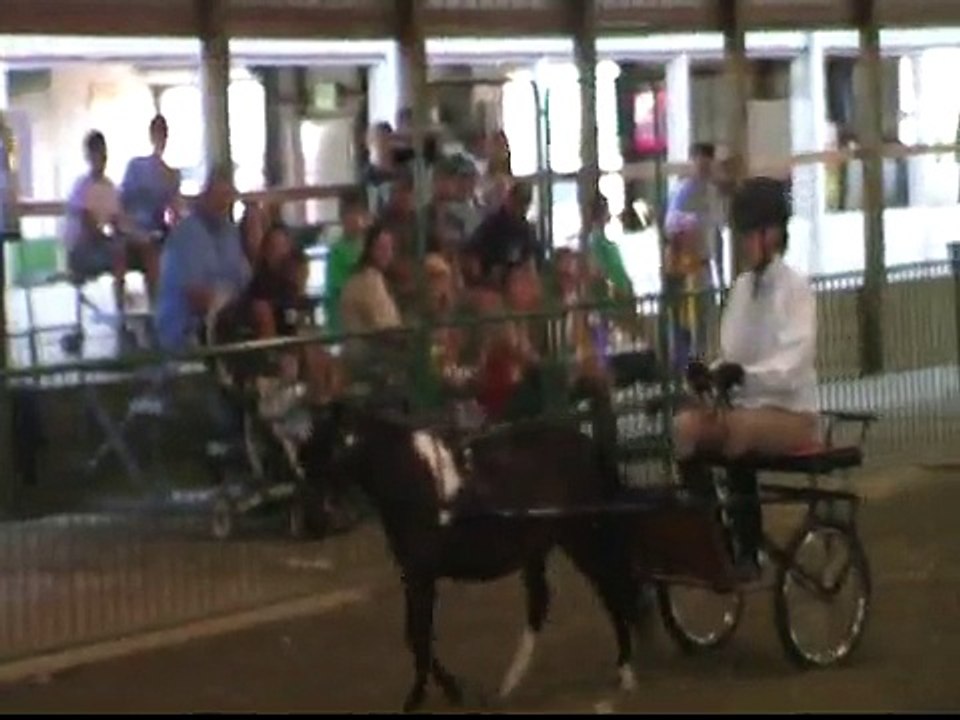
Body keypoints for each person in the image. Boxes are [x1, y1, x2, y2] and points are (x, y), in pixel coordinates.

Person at [673, 176, 818, 578]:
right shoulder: (739, 290)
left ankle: (748, 550)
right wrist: (710, 375)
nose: (742, 243)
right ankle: (713, 537)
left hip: (791, 414)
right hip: (749, 409)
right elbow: (732, 356)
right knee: (684, 429)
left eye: (749, 234)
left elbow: (792, 366)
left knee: (736, 432)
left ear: (772, 234)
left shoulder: (795, 289)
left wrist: (744, 378)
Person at [154, 165, 251, 353]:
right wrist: (227, 299)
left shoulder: (230, 234)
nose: (223, 204)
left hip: (223, 319)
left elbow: (243, 280)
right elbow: (197, 297)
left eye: (227, 197)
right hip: (186, 327)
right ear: (205, 196)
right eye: (218, 196)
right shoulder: (186, 235)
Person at [64, 130, 159, 307]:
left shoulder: (110, 188)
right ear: (89, 156)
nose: (101, 159)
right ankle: (121, 308)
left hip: (103, 246)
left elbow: (118, 222)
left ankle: (156, 307)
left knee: (148, 250)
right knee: (119, 252)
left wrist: (139, 236)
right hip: (81, 251)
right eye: (97, 154)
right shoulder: (81, 187)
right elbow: (89, 227)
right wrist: (115, 238)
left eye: (103, 154)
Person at [119, 115, 182, 246]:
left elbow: (174, 211)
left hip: (156, 232)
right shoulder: (135, 166)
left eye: (163, 134)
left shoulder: (172, 175)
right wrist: (130, 228)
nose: (160, 138)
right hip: (132, 231)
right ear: (151, 136)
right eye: (157, 133)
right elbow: (122, 203)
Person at [467, 181, 542, 287]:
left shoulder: (527, 231)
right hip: (492, 285)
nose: (521, 208)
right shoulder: (491, 225)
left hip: (519, 285)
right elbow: (473, 254)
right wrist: (481, 280)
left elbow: (533, 259)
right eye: (518, 202)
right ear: (510, 199)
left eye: (525, 203)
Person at [324, 190, 370, 335]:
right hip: (344, 320)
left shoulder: (371, 246)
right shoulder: (336, 252)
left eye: (358, 213)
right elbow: (341, 289)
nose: (354, 219)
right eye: (348, 214)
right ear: (341, 218)